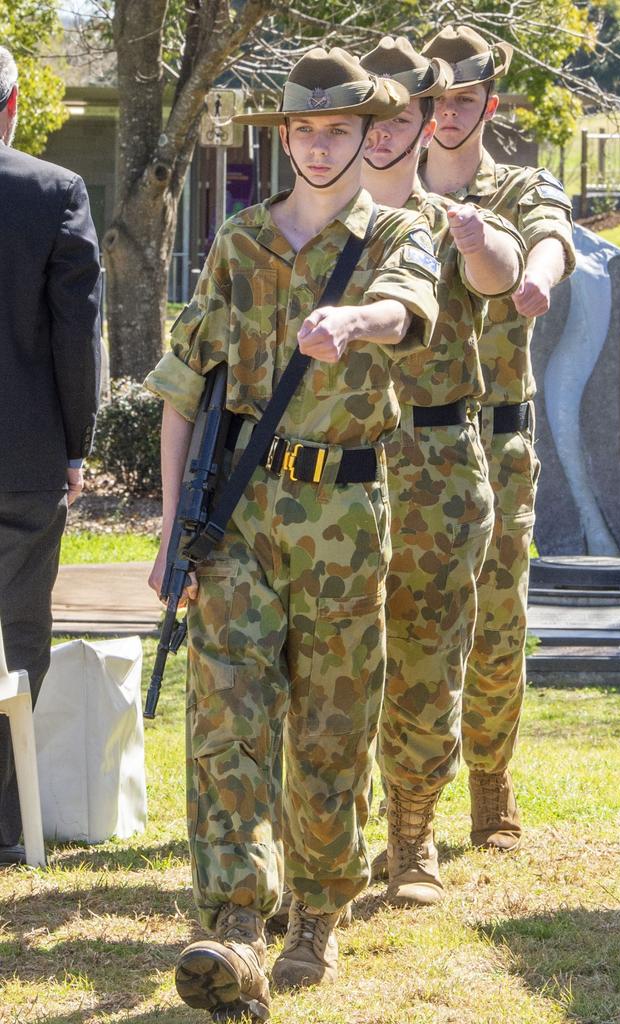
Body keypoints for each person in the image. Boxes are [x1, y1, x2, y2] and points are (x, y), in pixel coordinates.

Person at [145, 47, 439, 1019]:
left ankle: (318, 913)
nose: (318, 147)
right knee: (227, 723)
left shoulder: (397, 230)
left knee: (329, 732)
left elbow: (412, 307)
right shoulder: (238, 245)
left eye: (338, 130)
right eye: (304, 131)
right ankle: (234, 925)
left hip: (348, 520)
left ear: (368, 134)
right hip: (241, 518)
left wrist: (355, 324)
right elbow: (183, 390)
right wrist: (169, 527)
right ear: (287, 138)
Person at [358, 36, 526, 907]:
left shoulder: (450, 217)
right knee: (338, 660)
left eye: (401, 117)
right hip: (340, 468)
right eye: (370, 118)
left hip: (436, 466)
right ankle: (336, 838)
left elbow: (499, 272)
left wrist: (476, 241)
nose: (383, 134)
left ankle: (413, 837)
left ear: (427, 123)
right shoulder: (314, 227)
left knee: (430, 657)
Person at [420, 26, 576, 852]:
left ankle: (490, 779)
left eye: (464, 99)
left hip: (498, 441)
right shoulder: (385, 188)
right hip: (408, 444)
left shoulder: (518, 186)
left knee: (497, 618)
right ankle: (405, 799)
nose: (447, 114)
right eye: (435, 98)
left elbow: (550, 239)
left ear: (489, 101)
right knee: (405, 623)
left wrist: (537, 283)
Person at [0, 46, 101, 866]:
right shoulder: (52, 191)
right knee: (16, 640)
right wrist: (78, 444)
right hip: (23, 458)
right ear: (14, 103)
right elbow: (78, 332)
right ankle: (5, 825)